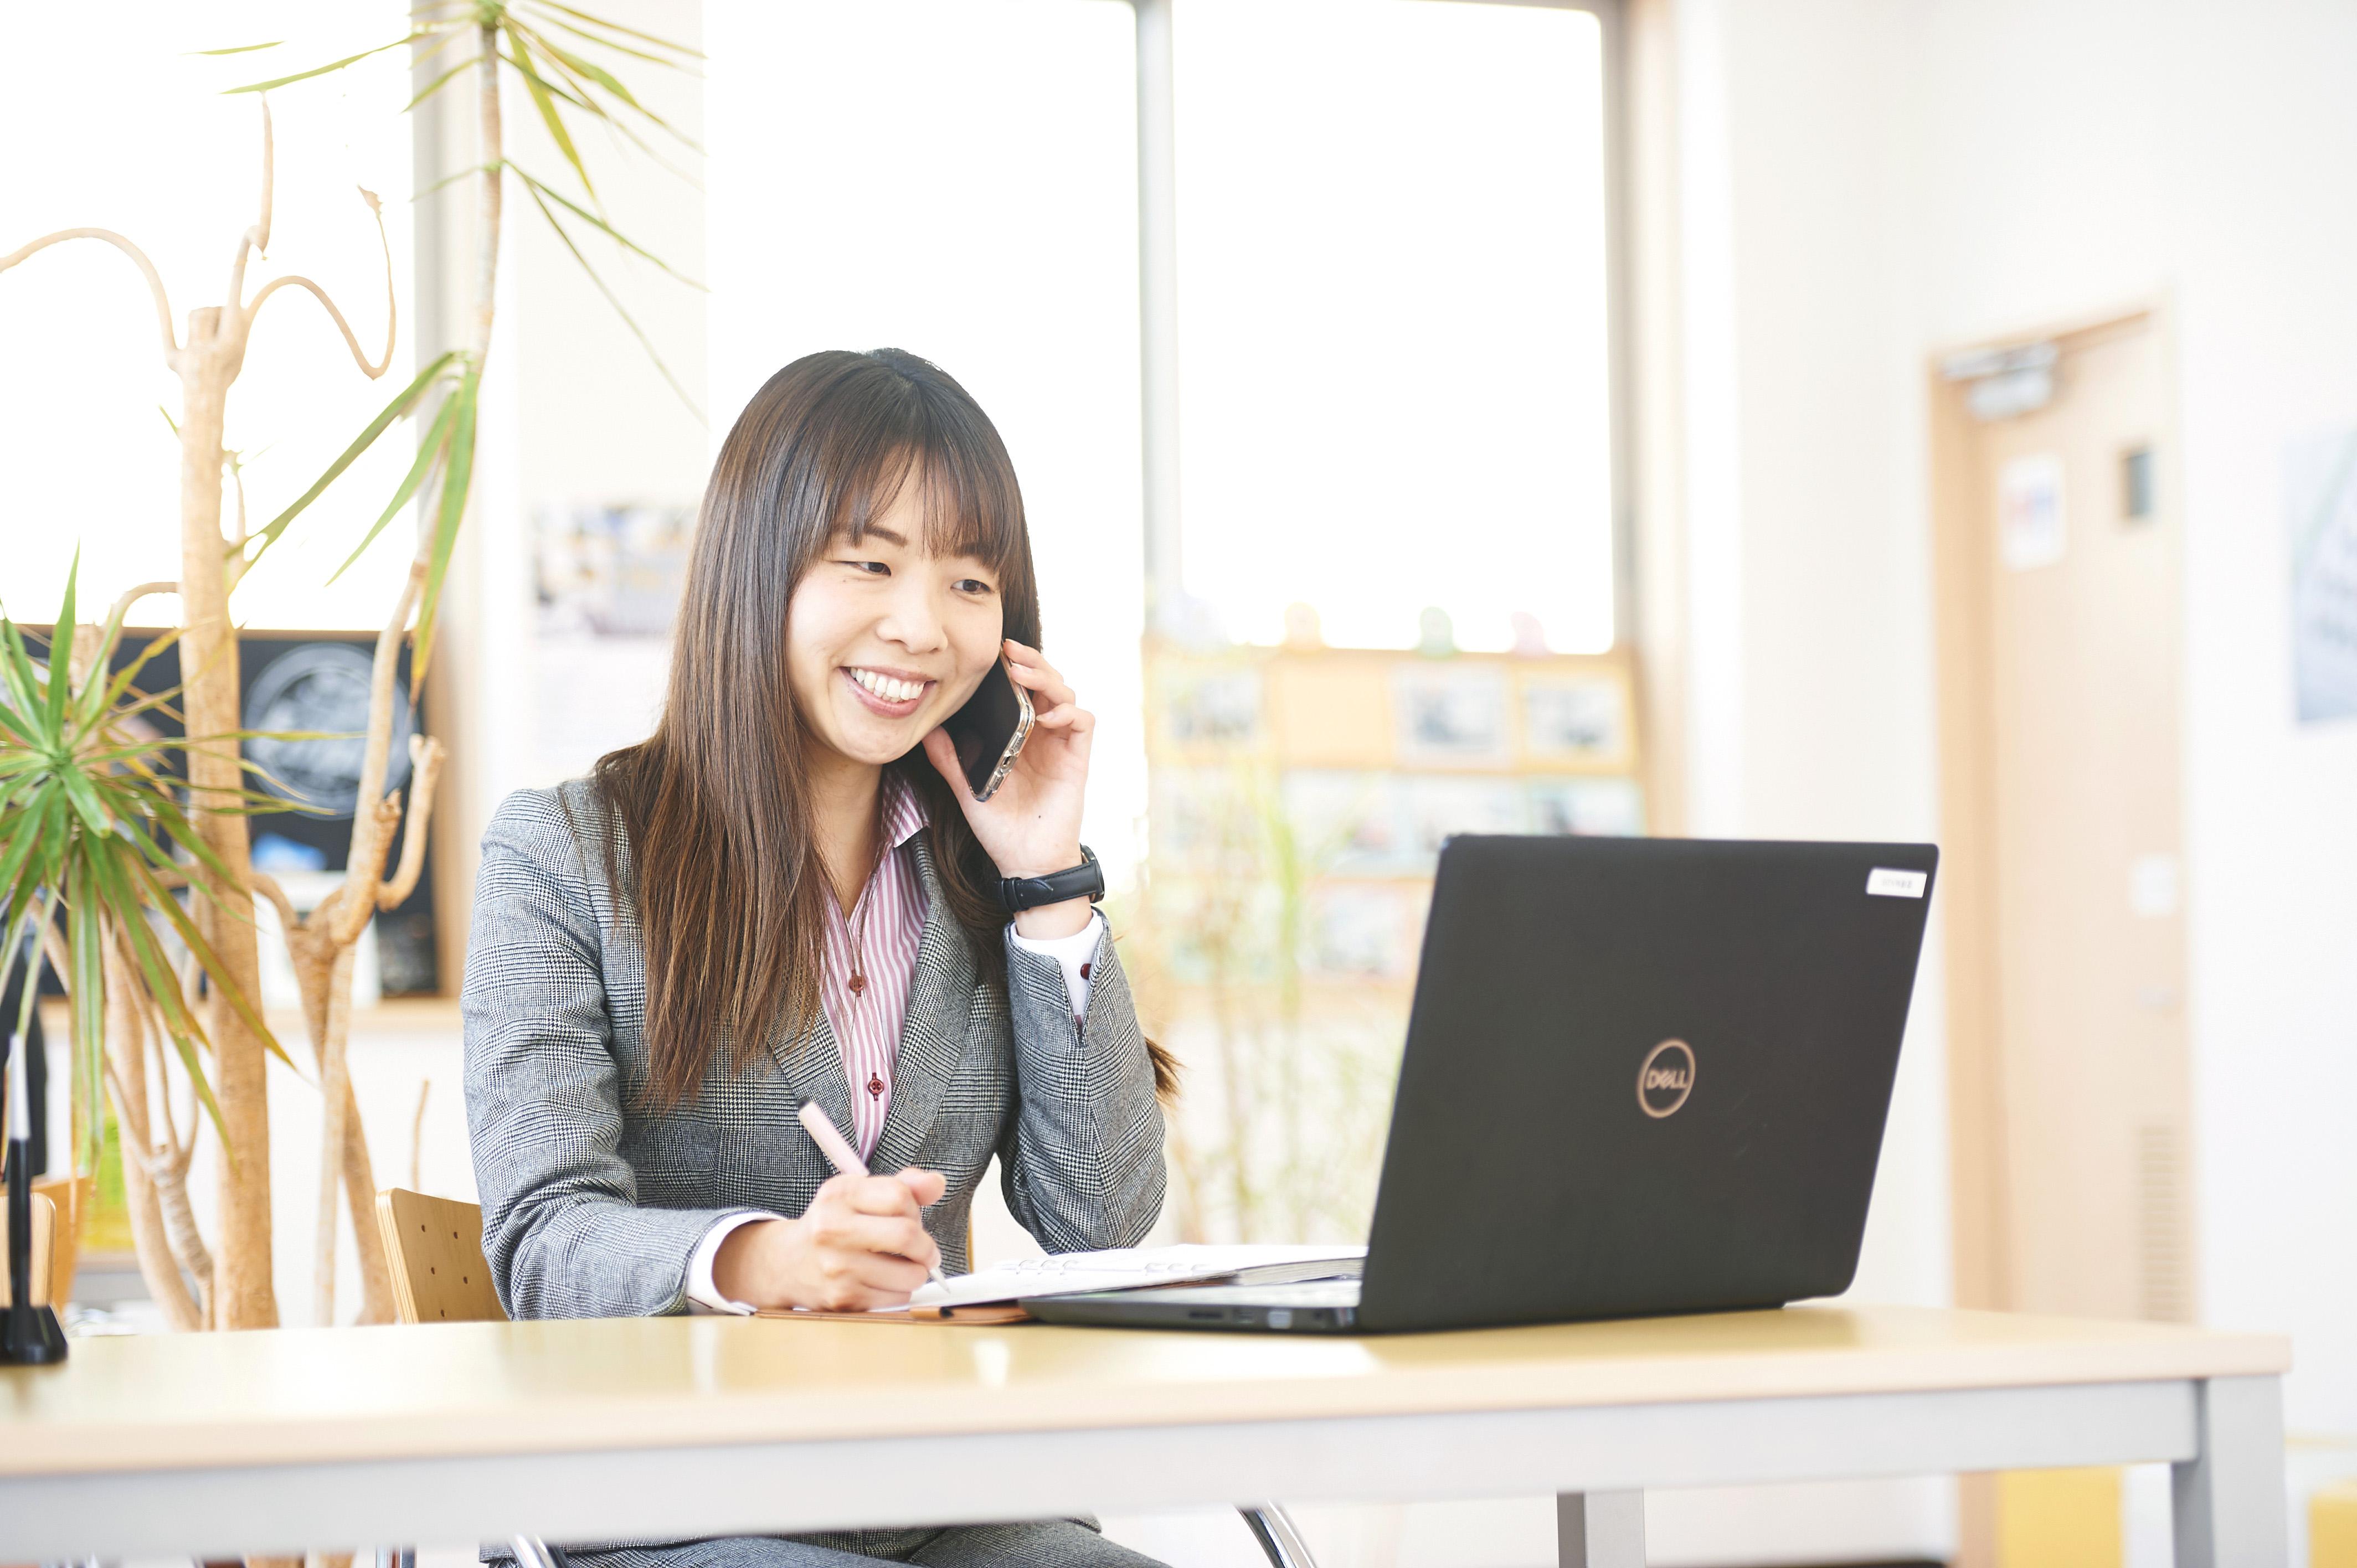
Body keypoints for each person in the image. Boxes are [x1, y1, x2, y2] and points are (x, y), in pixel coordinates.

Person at [463, 349, 1174, 1568]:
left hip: (941, 1493)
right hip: (681, 1507)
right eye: (869, 562)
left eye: (968, 579)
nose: (921, 624)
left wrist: (1047, 881)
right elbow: (542, 1238)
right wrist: (770, 1259)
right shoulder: (567, 854)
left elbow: (1099, 1225)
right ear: (761, 564)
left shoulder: (982, 877)